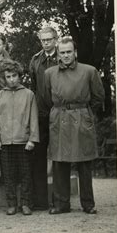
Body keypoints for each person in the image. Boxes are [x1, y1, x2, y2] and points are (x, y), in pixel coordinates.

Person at [43, 37, 105, 215]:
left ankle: (88, 204)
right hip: (59, 118)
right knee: (59, 162)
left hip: (81, 117)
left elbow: (99, 97)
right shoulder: (49, 73)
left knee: (84, 163)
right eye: (62, 52)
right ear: (58, 54)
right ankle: (61, 204)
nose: (66, 55)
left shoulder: (89, 71)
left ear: (75, 52)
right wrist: (60, 111)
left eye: (69, 51)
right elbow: (46, 99)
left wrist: (84, 114)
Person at [0, 60, 39, 216]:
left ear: (20, 76)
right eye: (8, 76)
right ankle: (11, 204)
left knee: (26, 174)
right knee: (8, 175)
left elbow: (33, 118)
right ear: (4, 78)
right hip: (5, 142)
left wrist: (32, 139)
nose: (11, 79)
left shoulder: (28, 94)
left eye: (14, 76)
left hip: (23, 141)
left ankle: (26, 203)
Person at [28, 26, 59, 210]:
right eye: (43, 40)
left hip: (58, 113)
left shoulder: (61, 57)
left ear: (55, 39)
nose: (46, 43)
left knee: (58, 157)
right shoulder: (35, 60)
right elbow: (34, 86)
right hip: (40, 115)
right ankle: (40, 201)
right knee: (38, 158)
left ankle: (59, 200)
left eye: (49, 39)